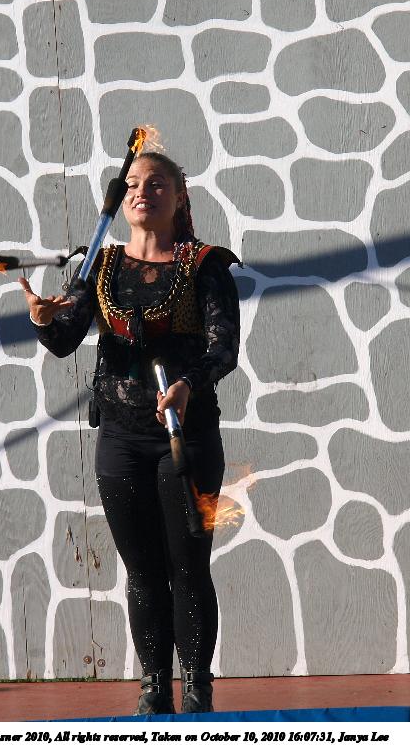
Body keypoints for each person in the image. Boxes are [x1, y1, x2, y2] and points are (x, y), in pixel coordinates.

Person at [19, 152, 240, 715]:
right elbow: (65, 339)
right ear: (122, 200)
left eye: (157, 183)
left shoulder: (205, 264)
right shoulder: (99, 266)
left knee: (188, 565)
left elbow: (223, 349)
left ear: (179, 197)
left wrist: (187, 384)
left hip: (185, 438)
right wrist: (44, 320)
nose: (143, 192)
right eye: (134, 184)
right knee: (142, 571)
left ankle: (197, 690)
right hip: (120, 439)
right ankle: (153, 689)